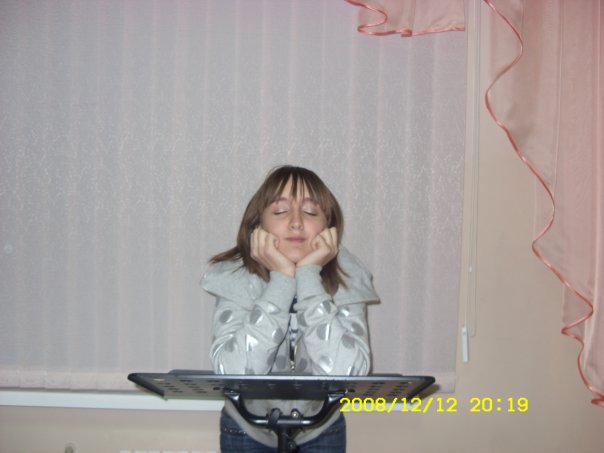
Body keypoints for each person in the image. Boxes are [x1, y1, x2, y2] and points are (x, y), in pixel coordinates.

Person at [201, 165, 379, 452]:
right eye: (281, 211)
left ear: (329, 228)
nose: (296, 222)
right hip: (246, 429)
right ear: (258, 225)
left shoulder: (348, 278)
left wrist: (308, 276)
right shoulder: (235, 277)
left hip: (322, 430)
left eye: (310, 212)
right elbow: (233, 372)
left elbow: (348, 372)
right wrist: (282, 281)